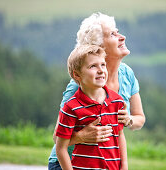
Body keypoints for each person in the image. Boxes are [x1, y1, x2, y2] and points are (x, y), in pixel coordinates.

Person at [49, 12, 145, 169]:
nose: (122, 37)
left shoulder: (127, 74)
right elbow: (57, 138)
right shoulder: (78, 86)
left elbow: (139, 118)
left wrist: (129, 120)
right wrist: (81, 136)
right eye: (113, 34)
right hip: (69, 164)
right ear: (99, 48)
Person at [56, 45, 128, 170]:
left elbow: (120, 135)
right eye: (93, 66)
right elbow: (60, 147)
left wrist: (124, 166)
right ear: (77, 75)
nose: (100, 70)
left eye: (103, 65)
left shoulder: (117, 101)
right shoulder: (71, 107)